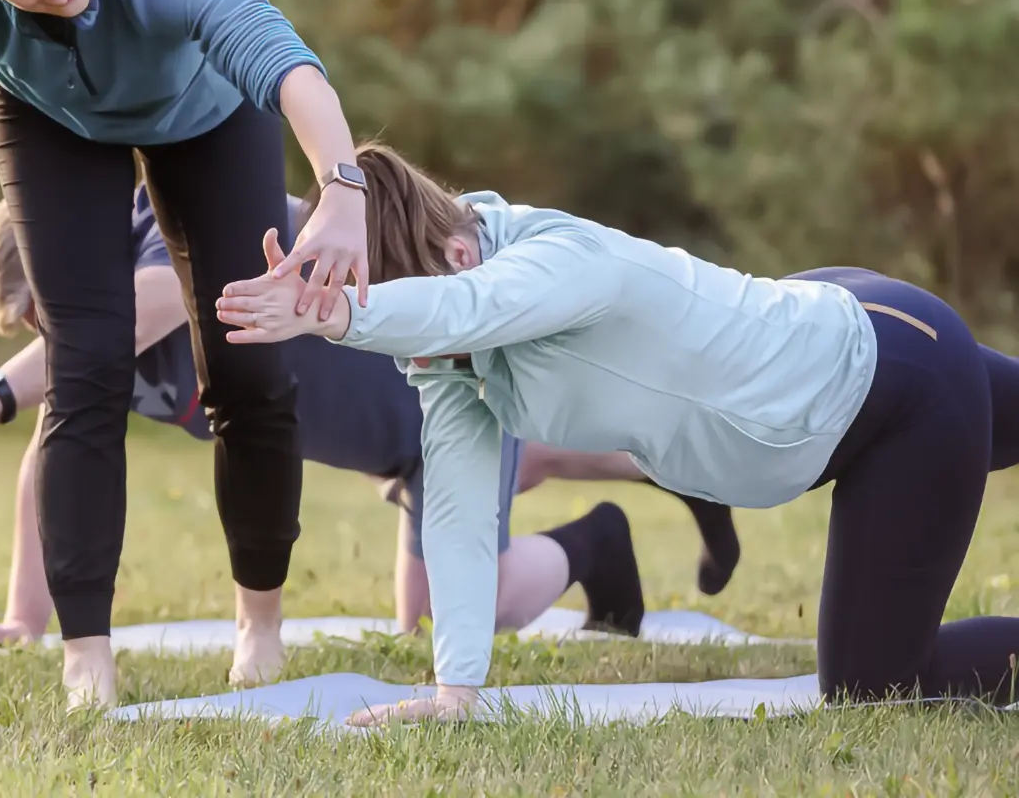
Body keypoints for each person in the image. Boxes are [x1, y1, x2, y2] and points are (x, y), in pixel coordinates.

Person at [216, 142, 1019, 726]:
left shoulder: (558, 260)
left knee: (871, 691)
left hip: (890, 384)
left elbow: (466, 309)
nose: (414, 357)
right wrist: (454, 694)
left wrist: (339, 316)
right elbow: (456, 514)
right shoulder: (453, 361)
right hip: (841, 333)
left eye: (405, 327)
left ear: (461, 253)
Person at [0, 0, 372, 712]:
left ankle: (258, 627)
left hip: (209, 116)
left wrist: (343, 188)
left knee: (249, 368)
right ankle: (87, 660)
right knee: (88, 364)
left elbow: (284, 62)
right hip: (51, 123)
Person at [0, 185, 743, 650]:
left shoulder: (162, 244)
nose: (44, 339)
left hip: (442, 403)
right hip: (392, 435)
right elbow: (49, 459)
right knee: (518, 463)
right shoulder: (93, 344)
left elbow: (145, 308)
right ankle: (660, 468)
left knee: (441, 625)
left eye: (46, 319)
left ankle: (597, 543)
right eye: (27, 331)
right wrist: (27, 616)